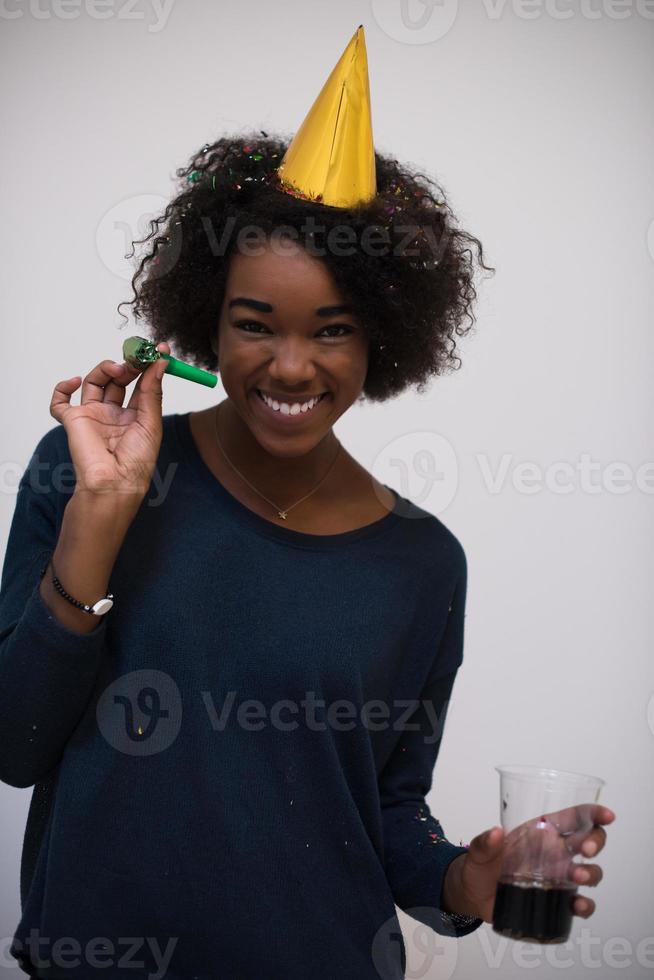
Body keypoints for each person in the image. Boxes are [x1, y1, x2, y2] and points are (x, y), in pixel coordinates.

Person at [1, 29, 614, 980]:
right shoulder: (89, 472)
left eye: (333, 331)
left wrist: (463, 881)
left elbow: (386, 812)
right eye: (255, 325)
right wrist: (99, 520)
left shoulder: (422, 562)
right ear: (206, 320)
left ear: (385, 341)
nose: (292, 365)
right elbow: (15, 741)